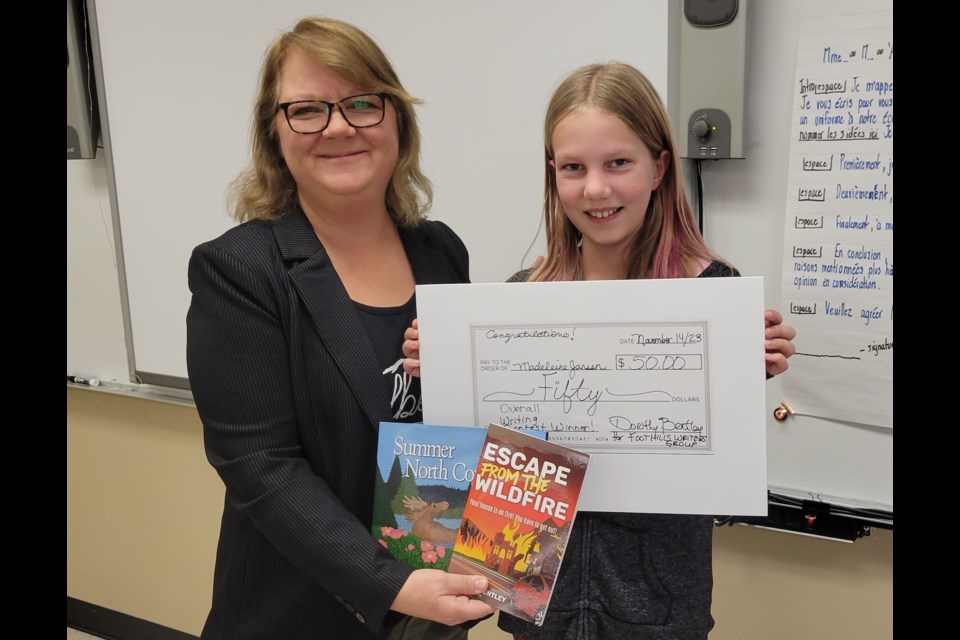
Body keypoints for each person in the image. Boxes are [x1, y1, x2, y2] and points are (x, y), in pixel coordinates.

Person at [402, 62, 796, 640]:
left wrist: (746, 366)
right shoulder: (519, 298)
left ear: (660, 166)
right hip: (537, 607)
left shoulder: (711, 294)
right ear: (552, 175)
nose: (595, 188)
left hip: (659, 610)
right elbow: (490, 459)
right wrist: (440, 372)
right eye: (573, 168)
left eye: (618, 163)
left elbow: (711, 455)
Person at [185, 17, 494, 640]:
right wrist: (391, 583)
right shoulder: (240, 269)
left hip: (433, 610)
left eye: (361, 103)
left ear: (397, 121)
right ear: (274, 134)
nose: (338, 127)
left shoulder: (442, 253)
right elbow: (259, 463)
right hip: (302, 615)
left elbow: (460, 419)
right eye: (306, 110)